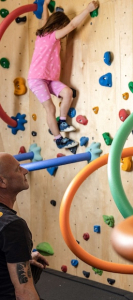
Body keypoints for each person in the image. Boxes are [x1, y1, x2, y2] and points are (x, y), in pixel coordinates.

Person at [28, 0, 100, 149]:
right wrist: (88, 10)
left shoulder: (43, 34)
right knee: (50, 109)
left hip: (49, 79)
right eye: (63, 27)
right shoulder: (51, 35)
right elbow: (72, 25)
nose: (64, 32)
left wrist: (46, 6)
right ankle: (58, 139)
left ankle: (62, 121)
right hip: (37, 79)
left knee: (68, 92)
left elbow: (44, 20)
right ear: (57, 26)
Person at [0, 153, 49, 299]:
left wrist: (19, 257)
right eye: (17, 169)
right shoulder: (12, 225)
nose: (25, 171)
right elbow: (24, 292)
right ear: (2, 182)